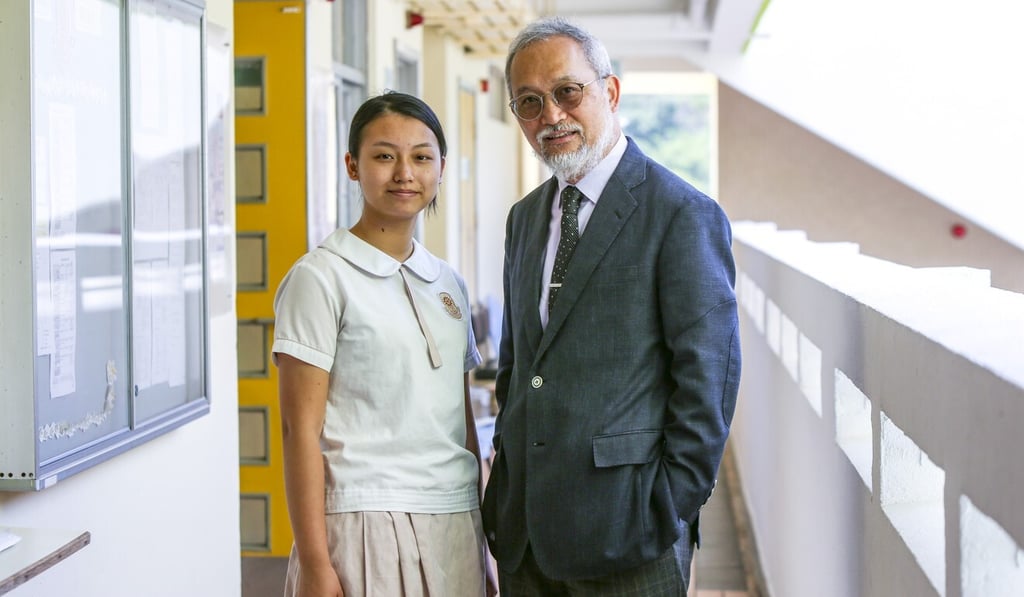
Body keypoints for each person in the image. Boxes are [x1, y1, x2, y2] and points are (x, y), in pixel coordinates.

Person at [481, 16, 742, 596]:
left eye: (567, 92)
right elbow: (518, 366)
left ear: (611, 91)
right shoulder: (525, 220)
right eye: (529, 102)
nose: (550, 116)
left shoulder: (680, 214)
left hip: (630, 535)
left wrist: (667, 506)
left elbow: (709, 383)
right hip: (525, 536)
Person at [273, 91, 493, 597]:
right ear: (353, 166)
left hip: (455, 520)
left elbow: (459, 418)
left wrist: (482, 548)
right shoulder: (321, 278)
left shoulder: (448, 283)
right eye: (384, 156)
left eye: (421, 156)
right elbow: (296, 432)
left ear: (440, 168)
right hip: (364, 523)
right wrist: (315, 564)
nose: (404, 173)